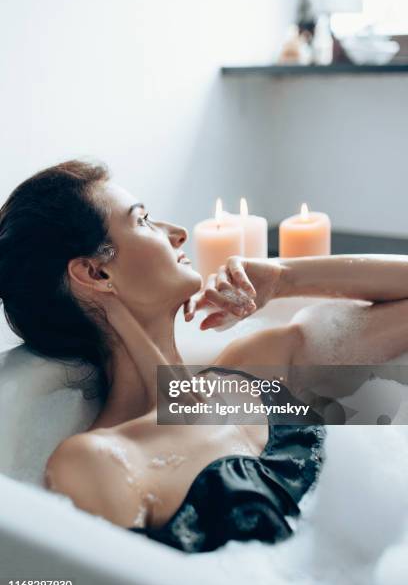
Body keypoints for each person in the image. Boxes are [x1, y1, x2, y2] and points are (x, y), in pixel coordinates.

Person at [1, 160, 408, 552]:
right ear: (96, 274)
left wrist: (284, 277)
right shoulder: (99, 462)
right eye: (142, 220)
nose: (177, 233)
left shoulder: (252, 365)